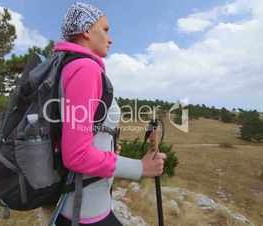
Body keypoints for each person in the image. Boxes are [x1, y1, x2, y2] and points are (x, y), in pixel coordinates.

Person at [52, 2, 166, 225]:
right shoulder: (85, 69)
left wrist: (108, 145)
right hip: (84, 214)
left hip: (81, 206)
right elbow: (76, 155)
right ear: (86, 30)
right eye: (105, 29)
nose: (110, 38)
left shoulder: (67, 65)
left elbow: (78, 132)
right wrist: (140, 167)